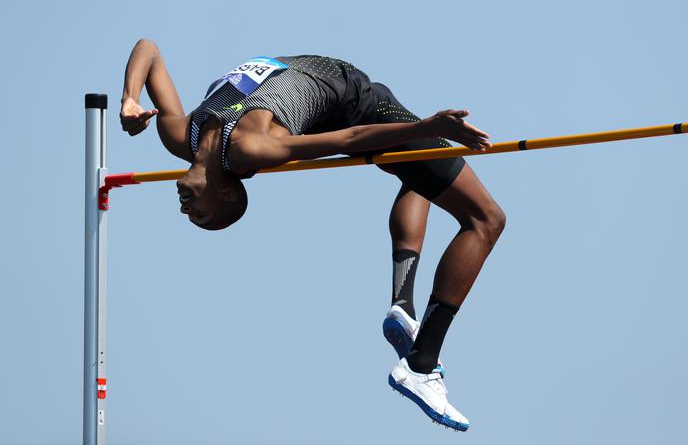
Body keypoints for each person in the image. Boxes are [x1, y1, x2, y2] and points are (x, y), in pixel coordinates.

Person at [120, 39, 506, 432]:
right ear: (224, 191)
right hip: (356, 102)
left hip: (332, 91)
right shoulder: (253, 148)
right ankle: (421, 366)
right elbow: (349, 139)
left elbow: (148, 49)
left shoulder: (179, 135)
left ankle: (403, 310)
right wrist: (428, 127)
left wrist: (130, 100)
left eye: (194, 215)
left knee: (418, 174)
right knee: (486, 219)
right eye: (199, 215)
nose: (185, 209)